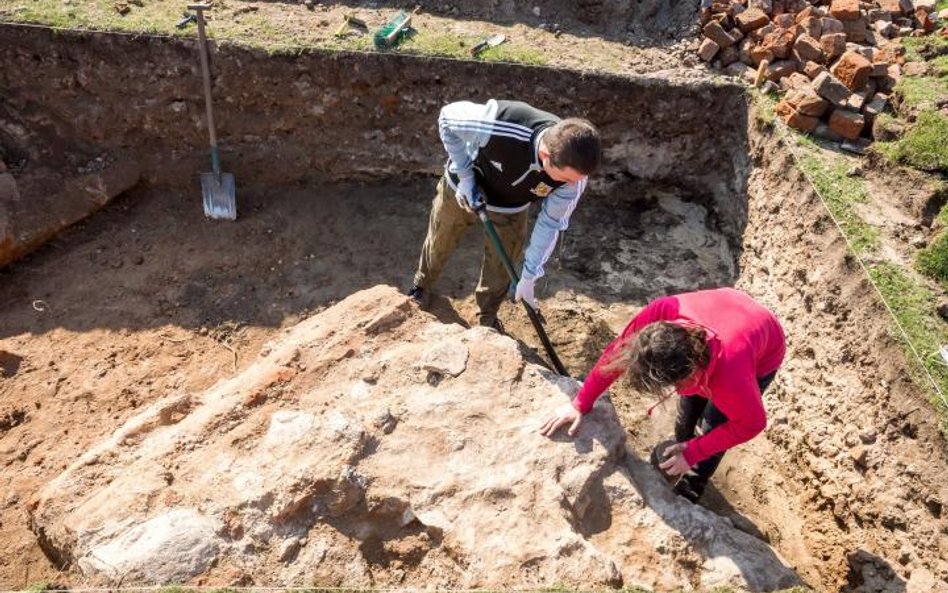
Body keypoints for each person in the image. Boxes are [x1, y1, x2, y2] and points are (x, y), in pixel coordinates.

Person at [539, 287, 786, 503]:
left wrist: (694, 453)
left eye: (676, 385)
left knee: (714, 424)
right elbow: (616, 354)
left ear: (690, 374)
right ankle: (682, 446)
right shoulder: (662, 313)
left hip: (764, 345)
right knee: (688, 411)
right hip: (727, 308)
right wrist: (581, 403)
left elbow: (751, 424)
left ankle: (691, 487)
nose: (674, 391)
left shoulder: (732, 378)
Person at [407, 99, 601, 331]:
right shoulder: (499, 124)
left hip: (511, 206)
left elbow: (551, 222)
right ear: (544, 155)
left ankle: (487, 319)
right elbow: (447, 117)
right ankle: (421, 285)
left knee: (501, 265)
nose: (572, 186)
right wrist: (466, 177)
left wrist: (530, 276)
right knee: (440, 239)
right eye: (566, 179)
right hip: (463, 189)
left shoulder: (574, 179)